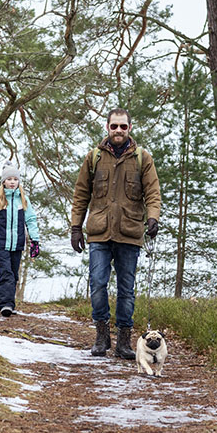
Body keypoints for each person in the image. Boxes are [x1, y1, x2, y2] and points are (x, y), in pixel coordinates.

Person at [70, 108, 161, 359]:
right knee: (98, 285)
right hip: (99, 232)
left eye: (123, 126)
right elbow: (81, 195)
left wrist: (153, 217)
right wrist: (76, 227)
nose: (118, 131)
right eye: (114, 126)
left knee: (126, 290)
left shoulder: (143, 158)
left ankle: (123, 341)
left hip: (130, 233)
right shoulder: (94, 157)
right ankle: (101, 337)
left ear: (129, 128)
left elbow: (153, 193)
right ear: (107, 128)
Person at [0, 161, 40, 317]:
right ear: (4, 181)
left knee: (14, 275)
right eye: (9, 179)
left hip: (18, 244)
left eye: (15, 179)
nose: (12, 182)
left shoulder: (23, 199)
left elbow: (31, 220)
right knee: (6, 273)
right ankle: (5, 304)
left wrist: (35, 241)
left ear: (18, 181)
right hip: (1, 243)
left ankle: (11, 304)